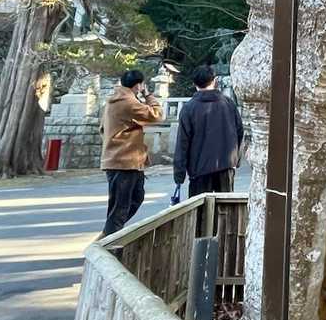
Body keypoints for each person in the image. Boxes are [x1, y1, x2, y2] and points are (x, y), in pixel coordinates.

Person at [100, 68, 163, 237]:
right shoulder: (128, 102)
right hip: (125, 161)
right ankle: (109, 240)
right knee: (121, 207)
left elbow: (102, 128)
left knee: (135, 197)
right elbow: (157, 115)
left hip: (123, 160)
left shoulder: (113, 100)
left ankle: (108, 234)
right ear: (138, 85)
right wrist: (148, 95)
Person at [173, 64, 245, 199]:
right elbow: (240, 133)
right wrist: (236, 160)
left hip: (199, 170)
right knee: (225, 208)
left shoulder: (189, 108)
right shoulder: (229, 104)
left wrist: (179, 175)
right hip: (226, 166)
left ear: (194, 83)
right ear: (215, 80)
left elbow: (182, 143)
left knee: (200, 209)